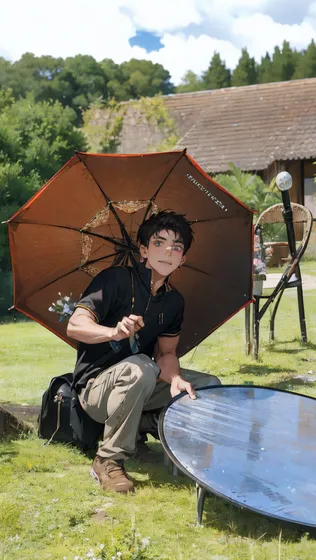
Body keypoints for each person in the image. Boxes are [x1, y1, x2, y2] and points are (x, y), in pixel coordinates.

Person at [67, 210, 220, 493]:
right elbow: (75, 326)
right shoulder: (114, 279)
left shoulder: (174, 301)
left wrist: (175, 379)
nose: (168, 252)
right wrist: (112, 332)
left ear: (183, 258)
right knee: (141, 365)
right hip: (95, 391)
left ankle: (186, 457)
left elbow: (167, 354)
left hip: (142, 381)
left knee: (207, 386)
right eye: (159, 243)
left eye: (176, 247)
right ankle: (107, 460)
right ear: (143, 250)